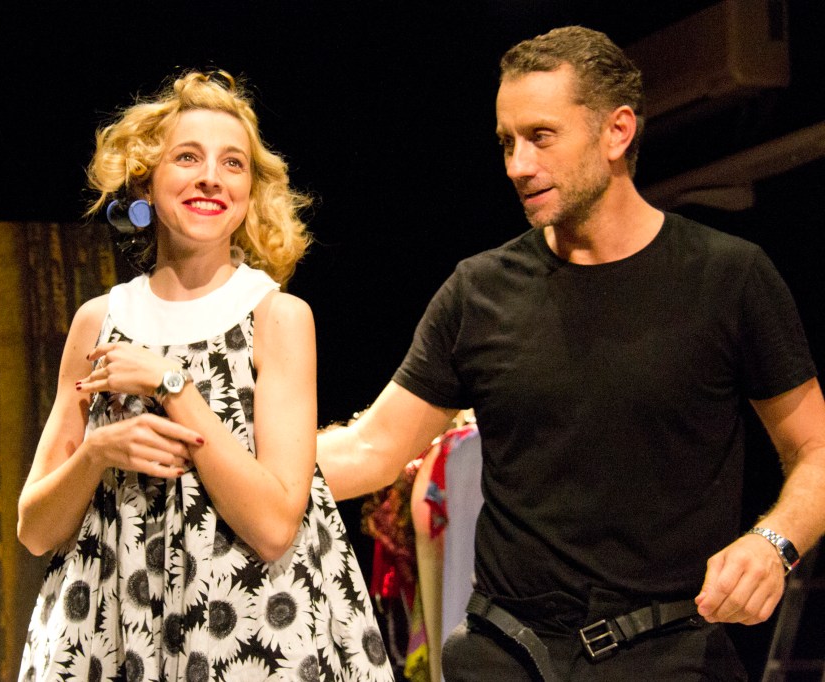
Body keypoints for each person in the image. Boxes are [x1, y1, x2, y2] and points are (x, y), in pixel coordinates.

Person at [317, 25, 825, 681]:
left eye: (541, 136)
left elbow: (815, 449)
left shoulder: (728, 278)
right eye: (507, 142)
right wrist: (219, 463)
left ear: (616, 132)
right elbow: (371, 448)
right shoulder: (479, 291)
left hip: (672, 657)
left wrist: (774, 542)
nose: (517, 165)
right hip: (504, 656)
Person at [16, 70, 392, 682]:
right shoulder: (98, 322)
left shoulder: (278, 318)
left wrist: (173, 386)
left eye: (232, 163)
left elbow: (274, 527)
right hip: (115, 626)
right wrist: (96, 453)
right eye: (188, 157)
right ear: (146, 179)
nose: (211, 177)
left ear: (249, 192)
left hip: (251, 632)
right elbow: (34, 531)